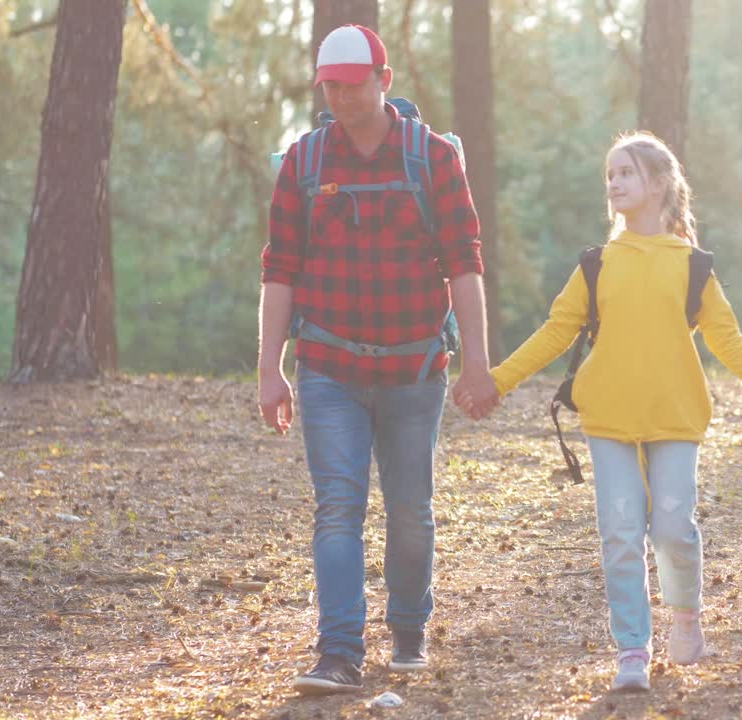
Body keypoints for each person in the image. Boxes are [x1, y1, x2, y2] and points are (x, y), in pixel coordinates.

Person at [455, 132, 742, 691]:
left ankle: (686, 620)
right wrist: (496, 381)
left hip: (675, 416)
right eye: (610, 175)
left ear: (660, 184)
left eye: (627, 173)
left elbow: (728, 339)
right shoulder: (597, 265)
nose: (614, 183)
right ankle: (633, 651)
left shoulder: (692, 265)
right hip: (609, 417)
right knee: (619, 534)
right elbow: (554, 332)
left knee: (673, 531)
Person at [257, 24, 497, 695]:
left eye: (353, 82)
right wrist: (269, 369)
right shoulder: (302, 163)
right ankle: (338, 652)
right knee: (337, 507)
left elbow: (465, 266)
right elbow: (280, 272)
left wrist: (477, 362)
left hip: (413, 372)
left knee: (410, 510)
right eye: (330, 84)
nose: (341, 95)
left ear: (382, 79)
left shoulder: (432, 159)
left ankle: (409, 628)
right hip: (329, 368)